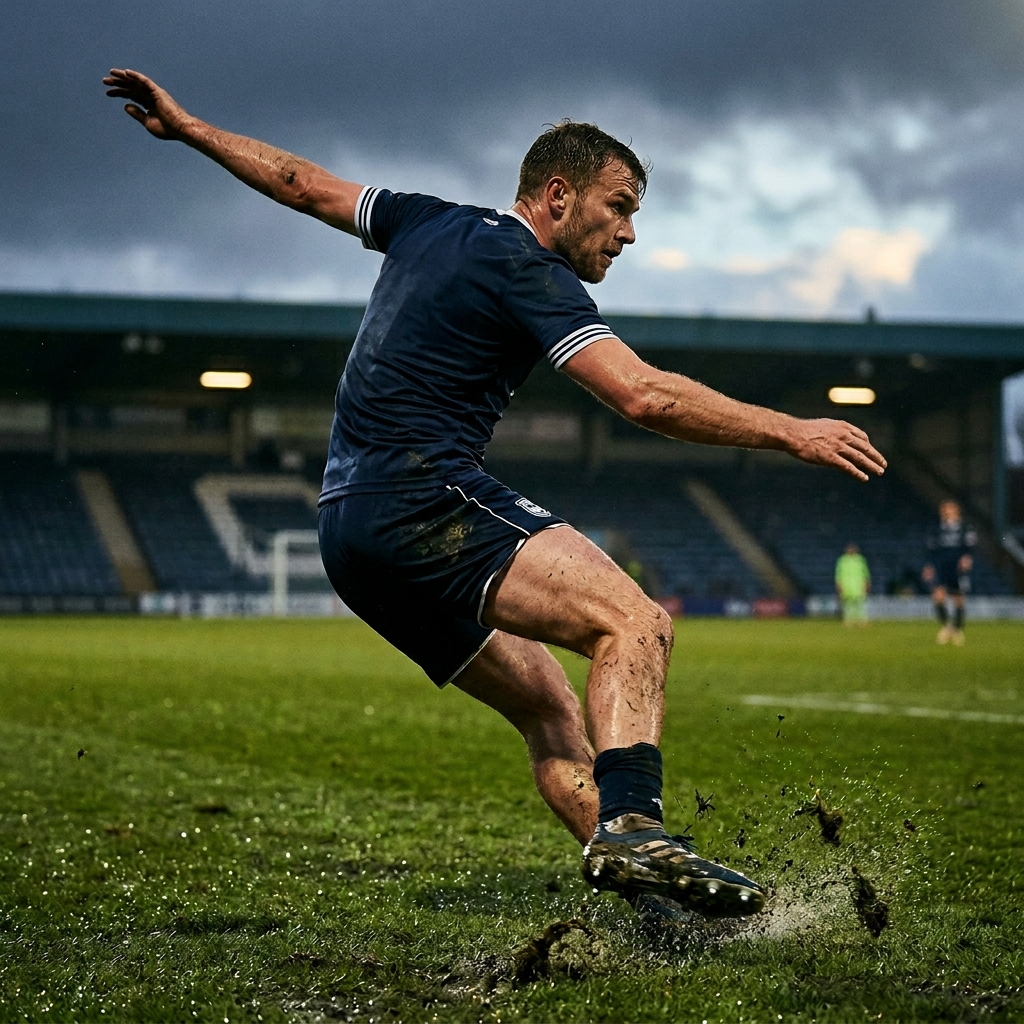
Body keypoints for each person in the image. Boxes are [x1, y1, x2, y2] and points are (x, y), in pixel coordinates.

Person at [105, 68, 887, 921]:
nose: (628, 232)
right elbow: (642, 396)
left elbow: (303, 184)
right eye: (618, 206)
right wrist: (791, 431)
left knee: (553, 712)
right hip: (423, 502)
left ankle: (668, 915)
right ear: (558, 195)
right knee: (635, 623)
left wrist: (192, 130)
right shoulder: (530, 271)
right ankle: (633, 825)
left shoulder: (423, 218)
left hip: (347, 535)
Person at [922, 499, 975, 645]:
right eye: (945, 510)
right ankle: (947, 627)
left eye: (951, 510)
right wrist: (929, 566)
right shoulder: (937, 529)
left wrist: (967, 558)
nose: (948, 513)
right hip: (940, 566)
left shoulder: (964, 528)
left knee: (958, 598)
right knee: (938, 596)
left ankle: (957, 630)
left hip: (957, 568)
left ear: (957, 511)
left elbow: (969, 547)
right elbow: (931, 549)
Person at [835, 543, 871, 625]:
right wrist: (839, 584)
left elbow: (865, 573)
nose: (851, 551)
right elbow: (838, 574)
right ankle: (848, 620)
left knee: (860, 604)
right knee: (848, 604)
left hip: (858, 585)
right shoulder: (842, 560)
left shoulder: (860, 560)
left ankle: (861, 620)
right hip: (847, 585)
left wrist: (867, 583)